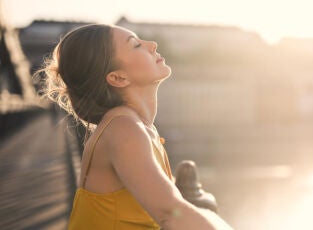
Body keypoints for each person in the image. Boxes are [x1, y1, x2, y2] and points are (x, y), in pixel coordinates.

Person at [36, 24, 218, 229]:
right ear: (118, 77)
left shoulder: (135, 126)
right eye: (136, 45)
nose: (152, 45)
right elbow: (170, 212)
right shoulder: (123, 129)